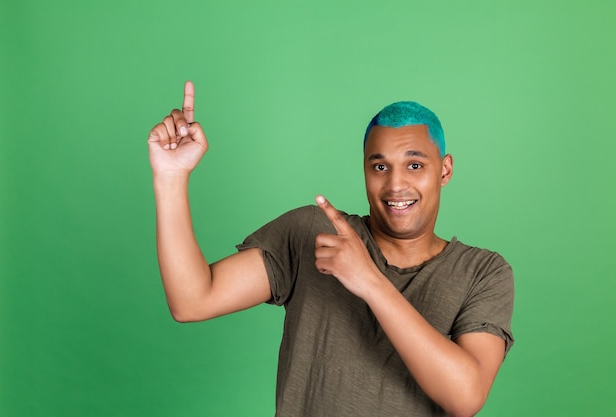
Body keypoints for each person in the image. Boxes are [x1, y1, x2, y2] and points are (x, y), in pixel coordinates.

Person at [147, 81, 514, 417]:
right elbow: (192, 300)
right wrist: (171, 177)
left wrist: (369, 280)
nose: (395, 184)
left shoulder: (483, 272)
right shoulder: (313, 233)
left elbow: (465, 397)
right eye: (380, 166)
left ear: (445, 171)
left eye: (415, 165)